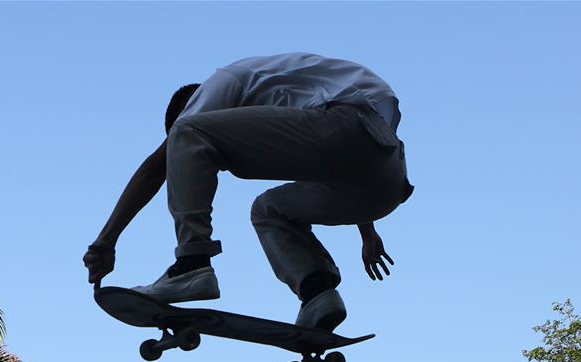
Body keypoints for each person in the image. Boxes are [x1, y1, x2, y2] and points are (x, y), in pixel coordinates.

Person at [84, 52, 413, 331]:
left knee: (188, 134)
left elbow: (157, 165)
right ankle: (318, 292)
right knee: (269, 210)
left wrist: (106, 240)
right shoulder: (293, 89)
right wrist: (367, 233)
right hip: (383, 183)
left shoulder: (221, 83)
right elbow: (357, 150)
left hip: (343, 125)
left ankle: (192, 264)